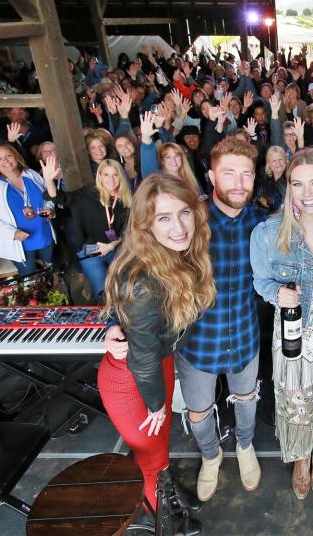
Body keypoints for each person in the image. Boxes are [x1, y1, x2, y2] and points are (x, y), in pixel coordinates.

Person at [106, 138, 267, 502]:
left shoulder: (263, 223)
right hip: (197, 343)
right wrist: (113, 320)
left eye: (247, 174)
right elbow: (139, 270)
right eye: (229, 173)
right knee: (198, 410)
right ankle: (211, 455)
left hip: (245, 334)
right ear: (211, 175)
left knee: (247, 397)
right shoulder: (187, 221)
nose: (239, 182)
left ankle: (244, 446)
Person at [99, 174, 209, 533]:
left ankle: (167, 491)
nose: (178, 227)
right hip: (133, 378)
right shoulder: (145, 280)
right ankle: (163, 519)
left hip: (154, 365)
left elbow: (123, 307)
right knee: (149, 458)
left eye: (183, 213)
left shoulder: (176, 255)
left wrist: (113, 322)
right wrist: (157, 404)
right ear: (147, 225)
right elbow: (141, 357)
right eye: (163, 218)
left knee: (160, 447)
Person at [250, 148, 313, 499]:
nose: (307, 193)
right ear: (289, 187)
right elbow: (261, 281)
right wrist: (276, 294)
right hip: (296, 334)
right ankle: (299, 456)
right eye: (298, 184)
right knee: (297, 399)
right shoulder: (268, 233)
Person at [41, 157, 131, 300]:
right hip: (91, 251)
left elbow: (130, 229)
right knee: (103, 294)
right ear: (100, 176)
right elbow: (59, 198)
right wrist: (49, 180)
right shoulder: (88, 194)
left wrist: (112, 245)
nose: (111, 179)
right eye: (106, 175)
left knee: (124, 289)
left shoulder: (127, 198)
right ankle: (110, 321)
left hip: (117, 248)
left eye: (115, 174)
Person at [0, 144, 56, 275]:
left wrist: (49, 209)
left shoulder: (31, 174)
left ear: (16, 157)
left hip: (44, 234)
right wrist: (12, 232)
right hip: (19, 242)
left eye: (8, 155)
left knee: (50, 271)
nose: (6, 161)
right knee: (31, 279)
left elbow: (49, 196)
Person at [254, 145, 287, 213]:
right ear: (269, 164)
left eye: (280, 159)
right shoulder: (262, 181)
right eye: (274, 161)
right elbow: (255, 203)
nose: (278, 163)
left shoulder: (292, 179)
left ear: (285, 160)